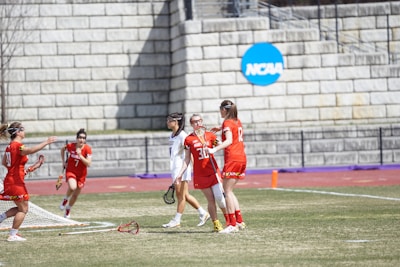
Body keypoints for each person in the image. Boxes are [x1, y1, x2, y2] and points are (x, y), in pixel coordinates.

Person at [0, 122, 57, 241]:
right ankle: (12, 235)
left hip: (11, 180)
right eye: (23, 129)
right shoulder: (17, 145)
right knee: (23, 209)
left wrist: (32, 167)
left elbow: (5, 163)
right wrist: (46, 142)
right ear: (18, 132)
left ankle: (2, 218)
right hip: (16, 183)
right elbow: (30, 150)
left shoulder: (10, 146)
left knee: (22, 207)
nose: (24, 131)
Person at [176, 114, 227, 232]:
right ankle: (216, 223)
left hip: (213, 171)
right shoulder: (188, 139)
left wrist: (216, 143)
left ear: (202, 122)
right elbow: (187, 159)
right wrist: (180, 174)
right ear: (191, 124)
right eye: (194, 122)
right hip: (200, 174)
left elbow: (221, 146)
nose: (197, 124)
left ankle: (229, 219)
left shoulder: (210, 135)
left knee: (220, 198)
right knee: (210, 200)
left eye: (199, 121)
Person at [162, 112, 210, 228]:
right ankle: (203, 213)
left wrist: (194, 169)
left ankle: (176, 220)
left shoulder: (183, 136)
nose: (167, 122)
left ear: (176, 122)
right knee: (185, 195)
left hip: (182, 169)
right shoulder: (172, 135)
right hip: (175, 168)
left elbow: (190, 154)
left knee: (181, 196)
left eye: (169, 120)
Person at [208, 100, 247, 234]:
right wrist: (220, 128)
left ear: (224, 110)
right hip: (241, 157)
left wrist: (214, 149)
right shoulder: (237, 121)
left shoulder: (227, 122)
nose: (219, 111)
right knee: (230, 191)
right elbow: (232, 131)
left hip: (233, 158)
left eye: (220, 108)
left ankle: (232, 224)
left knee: (227, 192)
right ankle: (239, 221)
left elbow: (229, 140)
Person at [59, 128, 92, 218]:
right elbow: (62, 149)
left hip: (81, 175)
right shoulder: (71, 146)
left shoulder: (87, 149)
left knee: (75, 195)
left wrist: (80, 155)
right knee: (72, 187)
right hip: (71, 171)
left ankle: (68, 209)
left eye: (83, 138)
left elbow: (88, 163)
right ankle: (65, 199)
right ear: (76, 138)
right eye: (80, 137)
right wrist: (63, 162)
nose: (81, 140)